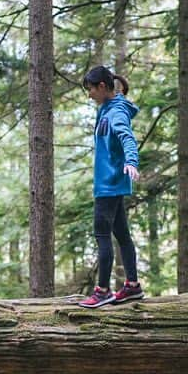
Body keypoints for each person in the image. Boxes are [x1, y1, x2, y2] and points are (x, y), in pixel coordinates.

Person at [78, 65, 145, 308]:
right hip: (112, 184)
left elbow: (126, 136)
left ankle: (103, 290)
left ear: (103, 87)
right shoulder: (109, 108)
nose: (89, 95)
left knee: (102, 236)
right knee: (123, 236)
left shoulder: (115, 112)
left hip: (108, 186)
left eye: (91, 90)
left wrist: (131, 161)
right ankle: (132, 286)